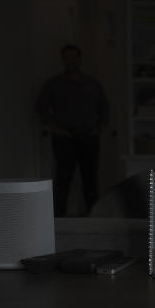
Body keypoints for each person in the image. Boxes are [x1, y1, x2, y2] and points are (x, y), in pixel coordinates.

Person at [36, 44, 109, 216]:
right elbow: (41, 107)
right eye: (67, 57)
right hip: (64, 138)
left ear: (79, 59)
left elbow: (104, 108)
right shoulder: (54, 84)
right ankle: (58, 219)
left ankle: (94, 217)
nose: (71, 61)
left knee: (90, 180)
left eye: (74, 57)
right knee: (63, 179)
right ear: (63, 60)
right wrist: (54, 127)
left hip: (88, 137)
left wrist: (98, 128)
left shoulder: (92, 84)